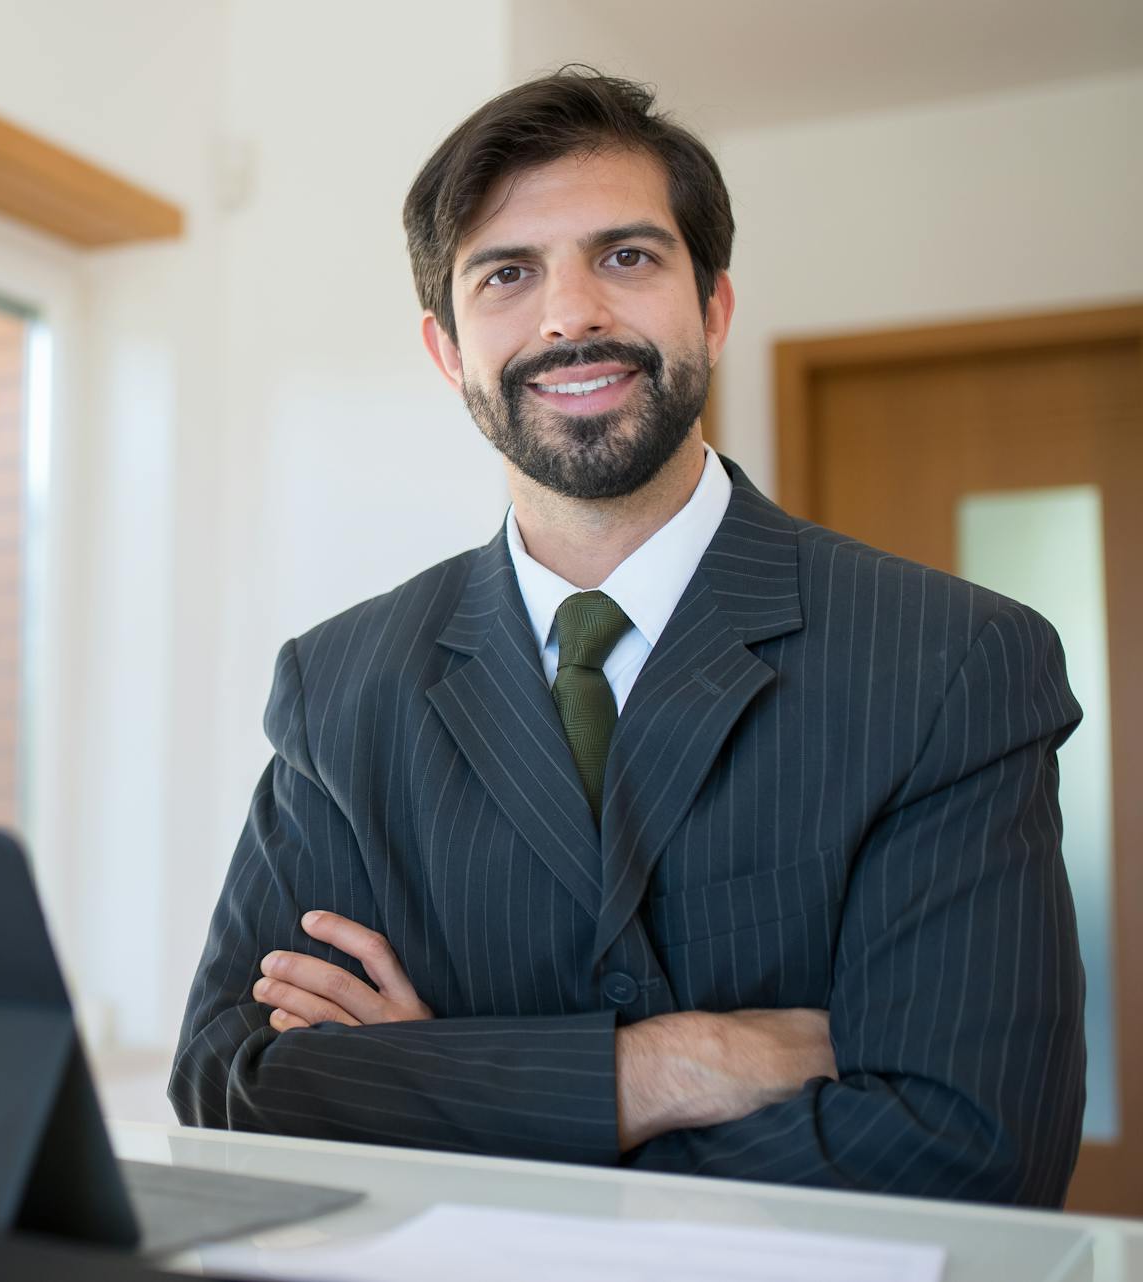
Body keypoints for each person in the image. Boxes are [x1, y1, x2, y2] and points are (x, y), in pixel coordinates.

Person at [168, 68, 1086, 1207]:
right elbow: (228, 1086)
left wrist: (441, 1080)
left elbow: (971, 1148)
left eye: (627, 257)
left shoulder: (952, 662)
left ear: (713, 307)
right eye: (508, 275)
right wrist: (665, 1066)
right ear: (448, 348)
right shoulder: (338, 686)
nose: (569, 317)